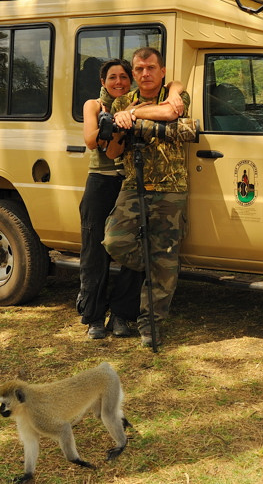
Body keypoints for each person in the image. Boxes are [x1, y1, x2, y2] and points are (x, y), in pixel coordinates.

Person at [76, 57, 183, 339]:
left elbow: (174, 87)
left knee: (134, 249)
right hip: (102, 183)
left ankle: (122, 315)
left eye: (124, 77)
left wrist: (140, 111)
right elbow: (92, 142)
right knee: (97, 251)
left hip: (129, 182)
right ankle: (94, 317)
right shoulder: (96, 105)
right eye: (112, 77)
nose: (119, 82)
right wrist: (117, 120)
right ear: (103, 82)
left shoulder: (134, 105)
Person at [103, 47, 190, 348]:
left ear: (162, 71)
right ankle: (151, 262)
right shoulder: (121, 101)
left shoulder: (175, 95)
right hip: (134, 185)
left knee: (165, 262)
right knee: (115, 241)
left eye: (151, 68)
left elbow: (169, 113)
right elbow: (112, 152)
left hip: (171, 189)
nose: (144, 74)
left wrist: (134, 113)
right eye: (139, 69)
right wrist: (117, 127)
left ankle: (150, 324)